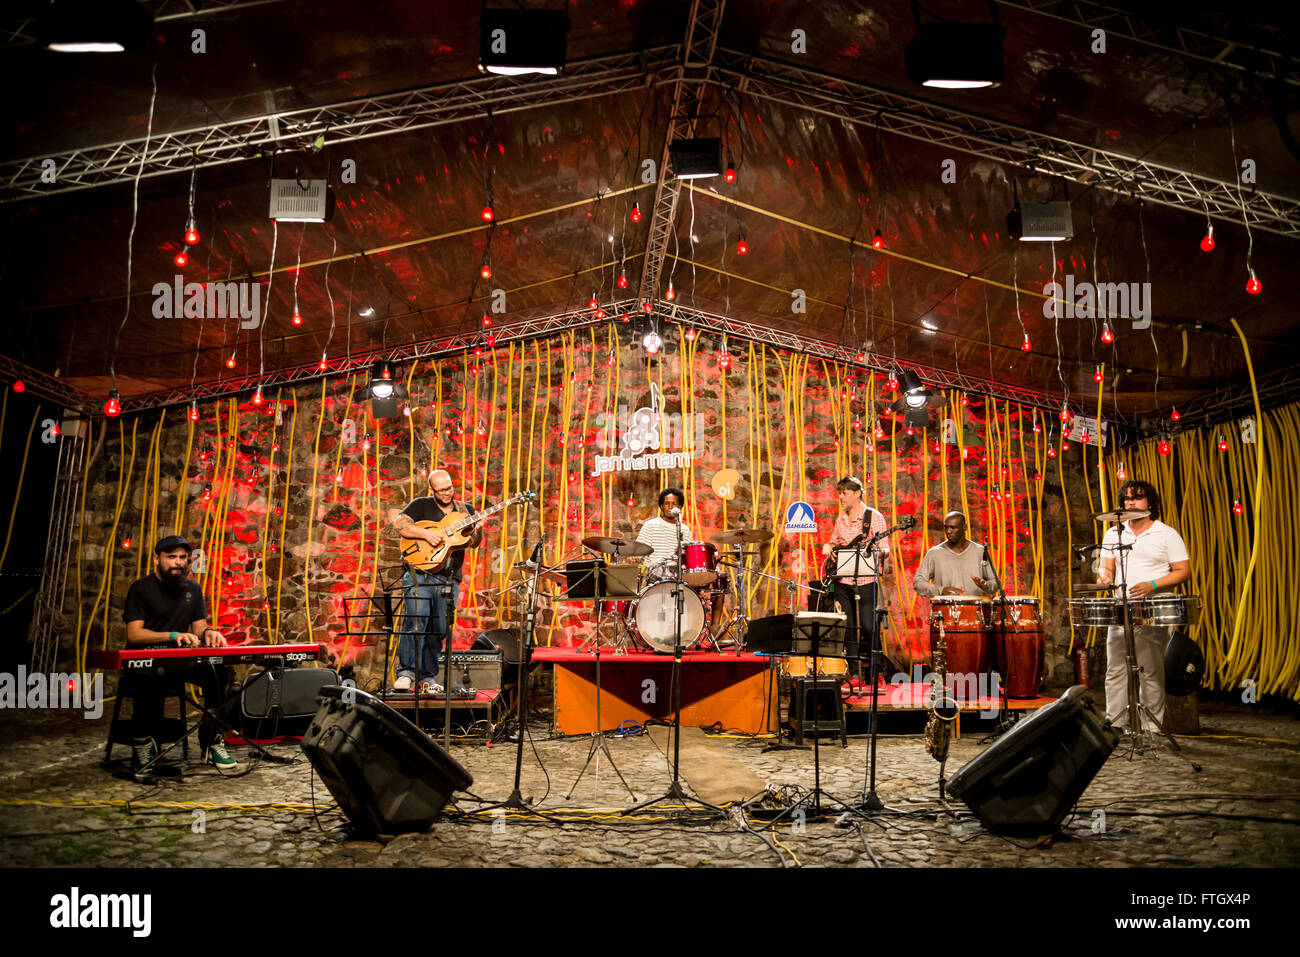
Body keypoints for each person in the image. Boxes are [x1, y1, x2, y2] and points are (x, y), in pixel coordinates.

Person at [121, 535, 239, 775]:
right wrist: (172, 636)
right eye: (171, 557)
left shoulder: (192, 589)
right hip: (145, 660)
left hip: (180, 660)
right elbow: (134, 634)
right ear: (157, 559)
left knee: (217, 672)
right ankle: (145, 743)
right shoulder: (141, 588)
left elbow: (198, 628)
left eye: (182, 557)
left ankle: (212, 739)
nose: (178, 562)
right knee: (148, 677)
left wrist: (210, 633)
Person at [1096, 480, 1191, 733]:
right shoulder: (1113, 533)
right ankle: (1116, 723)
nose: (1131, 502)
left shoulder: (1166, 533)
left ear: (1150, 502)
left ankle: (1151, 726)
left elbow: (1183, 572)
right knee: (1115, 668)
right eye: (1127, 498)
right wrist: (1104, 577)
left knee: (1150, 668)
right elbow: (1106, 567)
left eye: (1137, 497)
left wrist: (1152, 584)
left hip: (1152, 608)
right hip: (1121, 608)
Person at [389, 469, 482, 694]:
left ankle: (427, 677)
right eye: (441, 490)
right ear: (433, 490)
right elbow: (399, 524)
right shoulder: (421, 505)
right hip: (419, 574)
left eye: (449, 488)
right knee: (415, 622)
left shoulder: (465, 510)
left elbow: (474, 542)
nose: (447, 493)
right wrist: (425, 534)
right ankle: (407, 673)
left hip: (449, 578)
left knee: (438, 629)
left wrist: (476, 529)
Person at [821, 476, 891, 682]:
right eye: (840, 493)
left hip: (866, 580)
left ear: (858, 493)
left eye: (845, 493)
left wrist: (873, 551)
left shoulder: (873, 517)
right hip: (843, 581)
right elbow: (834, 543)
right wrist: (828, 547)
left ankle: (877, 673)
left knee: (869, 627)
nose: (841, 497)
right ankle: (853, 674)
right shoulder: (840, 519)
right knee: (849, 628)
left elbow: (886, 549)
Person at [913, 512, 994, 598]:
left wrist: (985, 586)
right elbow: (918, 583)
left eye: (953, 527)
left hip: (975, 609)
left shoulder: (980, 552)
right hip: (944, 609)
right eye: (946, 527)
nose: (948, 531)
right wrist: (941, 590)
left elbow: (995, 583)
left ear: (964, 528)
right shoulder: (935, 553)